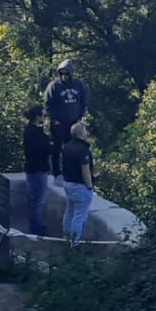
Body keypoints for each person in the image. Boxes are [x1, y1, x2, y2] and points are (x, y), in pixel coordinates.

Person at [60, 119, 95, 246]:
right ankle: (74, 243)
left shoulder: (67, 146)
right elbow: (85, 170)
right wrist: (90, 186)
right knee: (79, 216)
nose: (87, 133)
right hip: (80, 186)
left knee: (69, 211)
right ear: (81, 133)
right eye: (85, 131)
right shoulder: (83, 149)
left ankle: (66, 237)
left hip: (68, 183)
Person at [21, 104, 54, 237]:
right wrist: (50, 144)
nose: (45, 117)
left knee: (34, 199)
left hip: (34, 168)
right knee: (37, 199)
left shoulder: (34, 131)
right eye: (44, 115)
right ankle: (35, 227)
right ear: (37, 117)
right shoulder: (33, 133)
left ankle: (35, 223)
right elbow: (44, 148)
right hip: (37, 169)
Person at [42, 59, 88, 154]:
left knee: (73, 147)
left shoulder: (78, 84)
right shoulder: (54, 86)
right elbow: (47, 103)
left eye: (66, 74)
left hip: (74, 122)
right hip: (59, 123)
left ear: (71, 73)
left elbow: (83, 101)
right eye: (61, 74)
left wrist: (80, 116)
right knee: (56, 148)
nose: (64, 76)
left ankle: (70, 168)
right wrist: (54, 118)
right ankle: (56, 169)